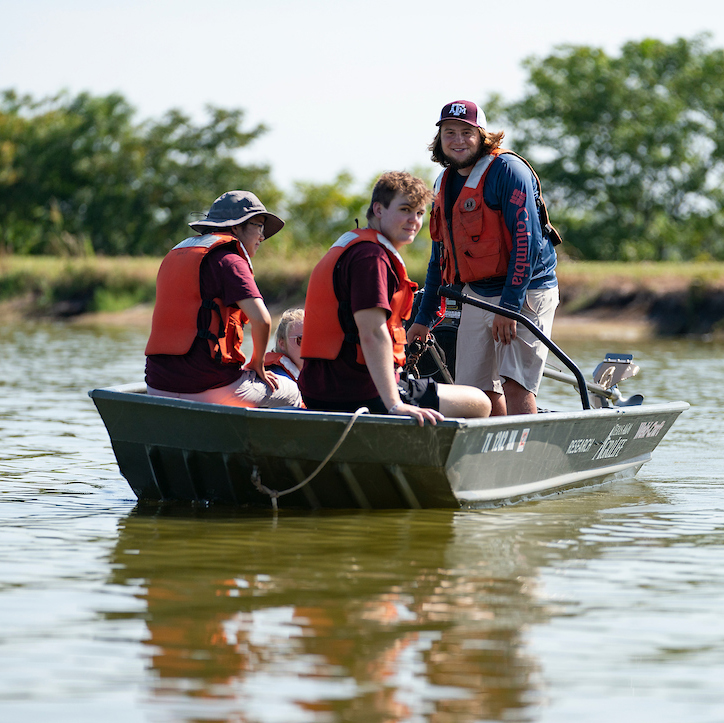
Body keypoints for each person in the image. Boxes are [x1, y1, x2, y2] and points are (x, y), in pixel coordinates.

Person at [299, 171, 491, 426]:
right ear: (378, 209)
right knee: (479, 402)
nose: (414, 220)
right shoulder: (371, 258)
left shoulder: (352, 245)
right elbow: (372, 333)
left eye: (420, 213)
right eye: (405, 209)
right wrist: (394, 405)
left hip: (319, 390)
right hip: (358, 391)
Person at [407, 100, 560, 416]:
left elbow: (526, 243)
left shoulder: (508, 171)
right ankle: (491, 456)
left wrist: (509, 307)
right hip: (478, 293)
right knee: (474, 393)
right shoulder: (443, 183)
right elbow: (440, 257)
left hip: (526, 291)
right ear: (440, 139)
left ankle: (523, 457)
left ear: (483, 136)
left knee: (515, 384)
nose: (458, 140)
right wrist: (423, 318)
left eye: (467, 132)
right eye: (450, 132)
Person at [144, 190, 302, 408]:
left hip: (157, 385)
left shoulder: (177, 254)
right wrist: (257, 364)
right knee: (292, 392)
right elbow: (262, 320)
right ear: (236, 227)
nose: (262, 236)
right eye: (259, 226)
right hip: (210, 388)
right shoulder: (230, 260)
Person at [264, 307, 304, 382]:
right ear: (282, 344)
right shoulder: (276, 375)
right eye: (302, 339)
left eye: (313, 339)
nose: (310, 346)